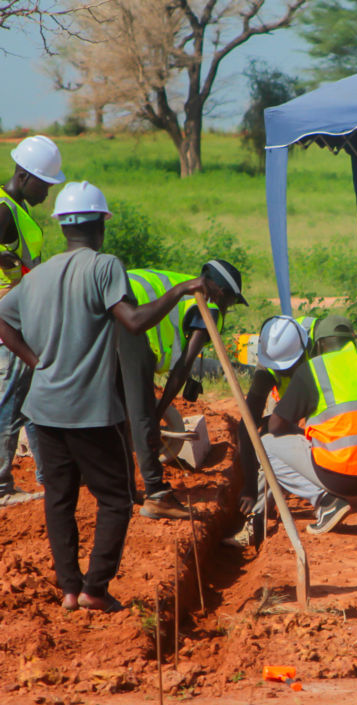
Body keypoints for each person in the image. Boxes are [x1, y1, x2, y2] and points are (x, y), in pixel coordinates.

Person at [0, 181, 221, 612]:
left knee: (59, 498)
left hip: (43, 411)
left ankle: (69, 588)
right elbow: (134, 321)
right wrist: (179, 291)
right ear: (101, 222)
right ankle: (94, 589)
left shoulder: (38, 275)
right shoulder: (105, 267)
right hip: (90, 412)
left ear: (63, 225)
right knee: (117, 500)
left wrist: (33, 359)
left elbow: (2, 318)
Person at [118, 260, 247, 520]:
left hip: (107, 310)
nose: (227, 309)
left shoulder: (176, 279)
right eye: (231, 302)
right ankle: (156, 496)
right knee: (142, 414)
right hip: (132, 330)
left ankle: (124, 490)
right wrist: (159, 411)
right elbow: (183, 366)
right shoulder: (208, 304)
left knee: (117, 408)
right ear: (220, 291)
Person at [255, 314, 357, 536]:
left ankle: (327, 502)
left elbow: (276, 426)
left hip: (341, 479)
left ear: (320, 344)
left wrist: (304, 433)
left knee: (265, 442)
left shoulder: (314, 369)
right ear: (352, 340)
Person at [0, 135, 65, 505]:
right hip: (7, 321)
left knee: (29, 399)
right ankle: (1, 486)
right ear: (23, 176)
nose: (47, 193)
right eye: (45, 184)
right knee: (11, 402)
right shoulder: (4, 209)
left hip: (22, 318)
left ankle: (51, 473)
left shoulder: (15, 209)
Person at [224, 315, 318, 548]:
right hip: (289, 400)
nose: (283, 373)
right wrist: (247, 484)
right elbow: (248, 422)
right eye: (278, 369)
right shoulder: (269, 361)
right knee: (271, 437)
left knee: (315, 444)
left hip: (323, 396)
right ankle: (256, 519)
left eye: (287, 368)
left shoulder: (320, 350)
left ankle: (330, 494)